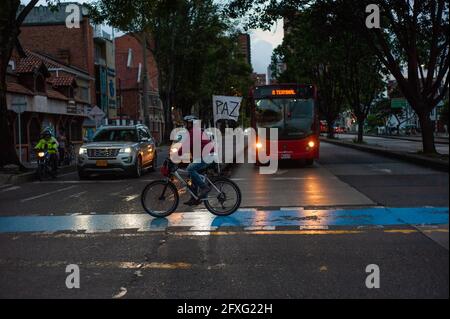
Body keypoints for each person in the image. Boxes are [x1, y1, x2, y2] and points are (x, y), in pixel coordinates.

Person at [180, 115, 214, 206]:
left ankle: (204, 187)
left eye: (187, 123)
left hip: (206, 156)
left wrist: (175, 155)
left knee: (190, 169)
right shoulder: (195, 131)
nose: (185, 125)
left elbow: (186, 145)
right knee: (191, 175)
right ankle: (194, 198)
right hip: (203, 156)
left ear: (191, 124)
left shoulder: (194, 132)